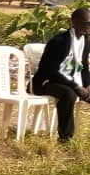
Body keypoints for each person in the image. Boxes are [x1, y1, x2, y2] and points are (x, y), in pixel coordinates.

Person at [31, 8, 90, 143]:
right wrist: (75, 86)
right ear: (73, 22)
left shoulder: (85, 43)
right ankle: (65, 138)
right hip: (47, 82)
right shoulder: (60, 42)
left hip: (71, 82)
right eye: (86, 23)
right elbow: (50, 71)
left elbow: (84, 68)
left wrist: (87, 84)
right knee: (69, 94)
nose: (89, 27)